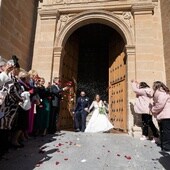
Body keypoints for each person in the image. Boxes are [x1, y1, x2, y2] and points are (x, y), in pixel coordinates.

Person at [151, 81, 170, 151]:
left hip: (166, 115)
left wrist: (153, 109)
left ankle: (166, 147)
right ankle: (164, 145)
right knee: (163, 131)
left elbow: (160, 105)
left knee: (166, 132)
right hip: (164, 115)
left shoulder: (161, 93)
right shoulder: (162, 92)